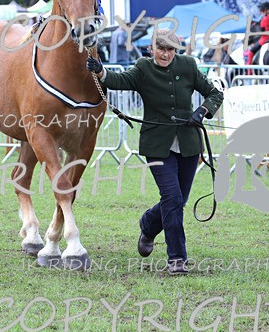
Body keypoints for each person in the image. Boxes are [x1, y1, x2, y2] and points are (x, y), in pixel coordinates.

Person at [86, 29, 224, 275]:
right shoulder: (143, 68)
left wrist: (202, 111)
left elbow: (215, 93)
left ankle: (148, 224)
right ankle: (177, 259)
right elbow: (119, 81)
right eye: (161, 48)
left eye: (170, 49)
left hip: (189, 144)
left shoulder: (189, 65)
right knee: (172, 199)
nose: (165, 54)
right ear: (152, 49)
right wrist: (100, 71)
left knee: (178, 200)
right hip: (157, 146)